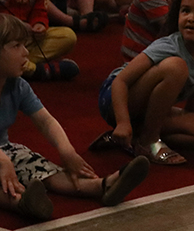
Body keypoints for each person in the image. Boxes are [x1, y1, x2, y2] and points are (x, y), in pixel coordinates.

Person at [0, 15, 149, 220]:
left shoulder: (18, 85)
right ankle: (21, 202)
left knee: (33, 162)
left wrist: (66, 150)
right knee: (4, 176)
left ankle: (101, 186)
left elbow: (45, 121)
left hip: (3, 149)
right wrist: (2, 161)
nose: (26, 52)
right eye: (16, 46)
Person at [94, 0, 194, 166]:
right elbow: (121, 82)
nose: (191, 18)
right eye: (185, 10)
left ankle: (136, 134)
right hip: (116, 98)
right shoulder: (169, 45)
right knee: (176, 67)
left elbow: (193, 108)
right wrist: (123, 121)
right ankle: (148, 141)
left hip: (144, 108)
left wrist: (187, 120)